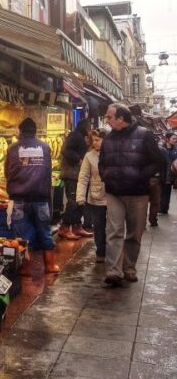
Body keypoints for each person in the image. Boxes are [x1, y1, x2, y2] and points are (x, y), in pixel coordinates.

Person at [98, 103, 165, 287]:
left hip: (137, 193)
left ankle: (129, 268)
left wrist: (140, 176)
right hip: (114, 192)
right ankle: (113, 271)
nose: (107, 120)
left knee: (134, 233)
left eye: (109, 117)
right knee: (113, 231)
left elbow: (158, 161)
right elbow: (102, 163)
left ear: (121, 118)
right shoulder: (108, 138)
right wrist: (106, 175)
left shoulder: (144, 135)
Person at [4, 117, 60, 274]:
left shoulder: (12, 148)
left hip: (18, 198)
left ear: (20, 132)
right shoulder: (45, 147)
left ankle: (26, 268)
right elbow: (48, 172)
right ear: (35, 131)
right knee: (44, 232)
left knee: (22, 235)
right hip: (41, 199)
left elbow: (7, 173)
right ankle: (49, 266)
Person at [77, 130, 108, 263]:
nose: (94, 143)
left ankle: (113, 252)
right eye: (93, 140)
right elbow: (83, 178)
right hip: (96, 197)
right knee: (99, 226)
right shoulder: (89, 156)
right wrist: (80, 196)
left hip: (114, 196)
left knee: (114, 227)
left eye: (97, 140)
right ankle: (100, 252)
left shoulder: (114, 154)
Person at [59, 119, 93, 240]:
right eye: (89, 127)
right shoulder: (74, 136)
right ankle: (64, 227)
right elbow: (66, 150)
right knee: (73, 201)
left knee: (80, 201)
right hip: (71, 174)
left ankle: (77, 226)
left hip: (79, 175)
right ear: (85, 126)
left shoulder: (82, 137)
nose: (90, 130)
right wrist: (78, 160)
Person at [160, 132, 177, 214]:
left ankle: (164, 209)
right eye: (173, 138)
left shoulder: (176, 149)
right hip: (162, 173)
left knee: (168, 191)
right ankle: (160, 208)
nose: (175, 140)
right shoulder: (160, 148)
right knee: (162, 191)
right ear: (167, 139)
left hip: (173, 174)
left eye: (175, 138)